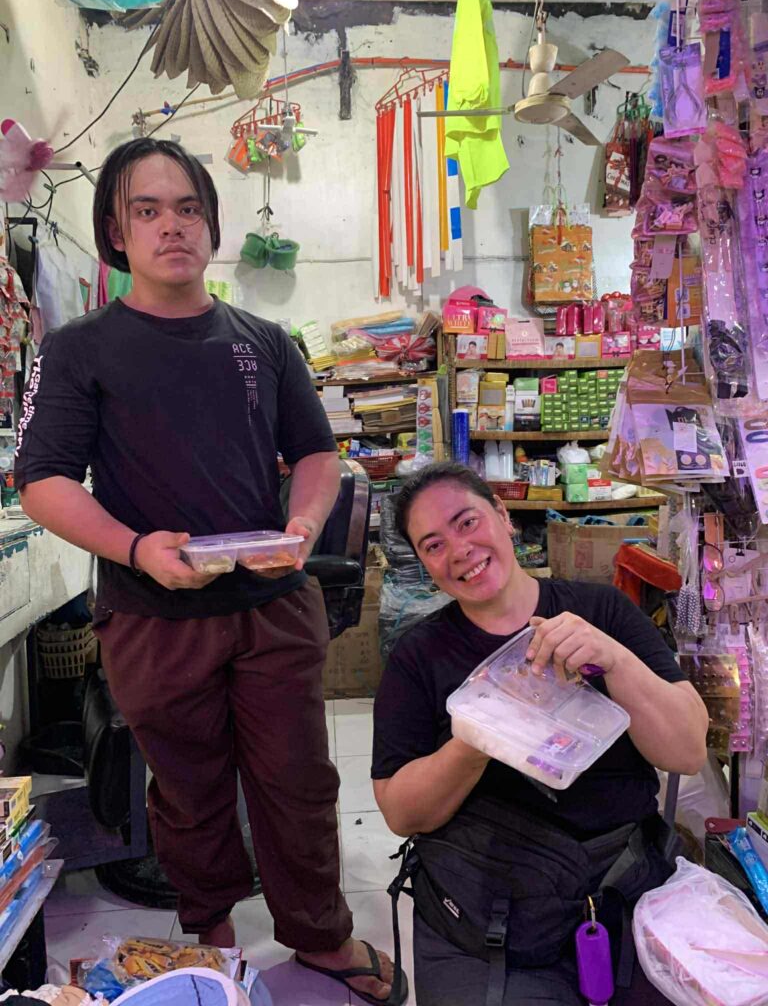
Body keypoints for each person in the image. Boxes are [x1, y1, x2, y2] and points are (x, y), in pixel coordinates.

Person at [16, 138, 404, 1006]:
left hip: (272, 603)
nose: (172, 226)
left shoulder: (263, 341)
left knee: (299, 781)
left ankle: (321, 936)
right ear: (116, 232)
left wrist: (303, 524)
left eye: (188, 207)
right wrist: (136, 549)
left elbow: (316, 453)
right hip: (151, 616)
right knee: (188, 791)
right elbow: (42, 481)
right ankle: (212, 938)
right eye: (147, 210)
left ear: (212, 223)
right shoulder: (77, 350)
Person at [372, 462, 708, 1006]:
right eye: (433, 545)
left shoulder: (600, 612)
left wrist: (613, 661)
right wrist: (479, 736)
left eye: (467, 522)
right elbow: (401, 812)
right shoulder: (418, 656)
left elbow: (688, 750)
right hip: (492, 908)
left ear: (503, 516)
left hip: (622, 884)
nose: (459, 550)